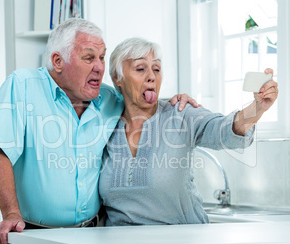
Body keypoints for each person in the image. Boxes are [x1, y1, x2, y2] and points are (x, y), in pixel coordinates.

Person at [0, 19, 198, 244]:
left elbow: (141, 99)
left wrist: (174, 102)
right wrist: (10, 213)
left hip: (95, 237)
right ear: (58, 61)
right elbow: (1, 152)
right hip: (35, 236)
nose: (99, 67)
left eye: (102, 57)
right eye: (88, 58)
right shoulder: (23, 85)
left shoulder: (109, 99)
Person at [99, 37, 279, 226]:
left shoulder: (181, 115)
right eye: (140, 69)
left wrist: (257, 109)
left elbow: (223, 130)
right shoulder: (105, 125)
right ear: (117, 77)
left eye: (157, 69)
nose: (151, 76)